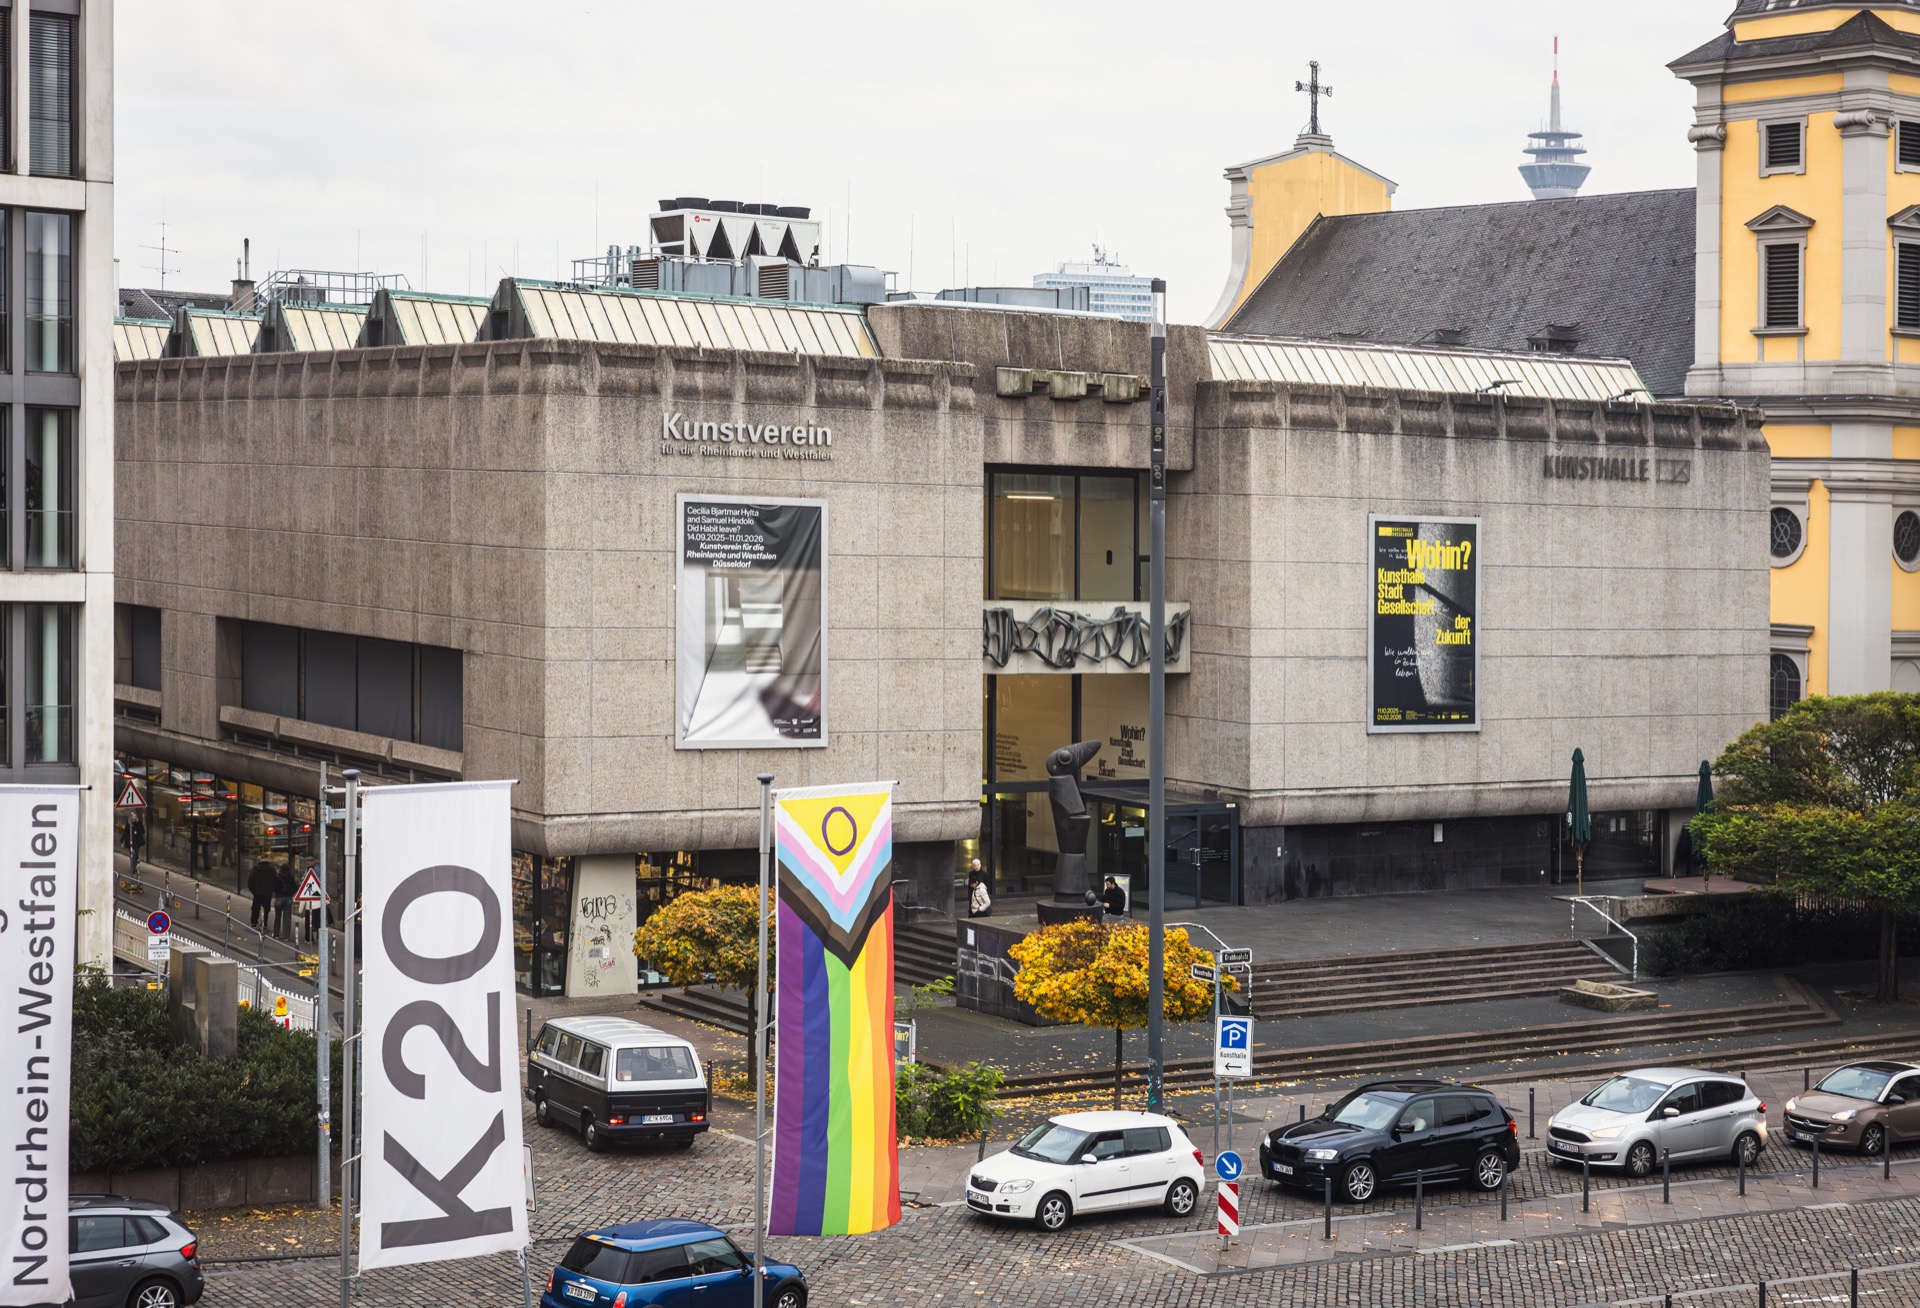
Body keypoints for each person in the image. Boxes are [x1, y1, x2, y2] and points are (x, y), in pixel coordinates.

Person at [247, 858, 277, 932]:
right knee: (266, 909)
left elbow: (250, 880)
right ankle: (264, 923)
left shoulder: (255, 868)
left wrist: (253, 890)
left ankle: (253, 922)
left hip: (257, 892)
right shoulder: (272, 869)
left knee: (255, 907)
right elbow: (275, 880)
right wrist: (272, 890)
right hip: (267, 893)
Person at [272, 862, 296, 940]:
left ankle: (276, 934)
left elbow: (274, 888)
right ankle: (286, 936)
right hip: (288, 899)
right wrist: (290, 892)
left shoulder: (277, 877)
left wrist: (279, 892)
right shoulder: (291, 878)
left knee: (277, 917)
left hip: (279, 898)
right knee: (287, 918)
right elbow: (295, 887)